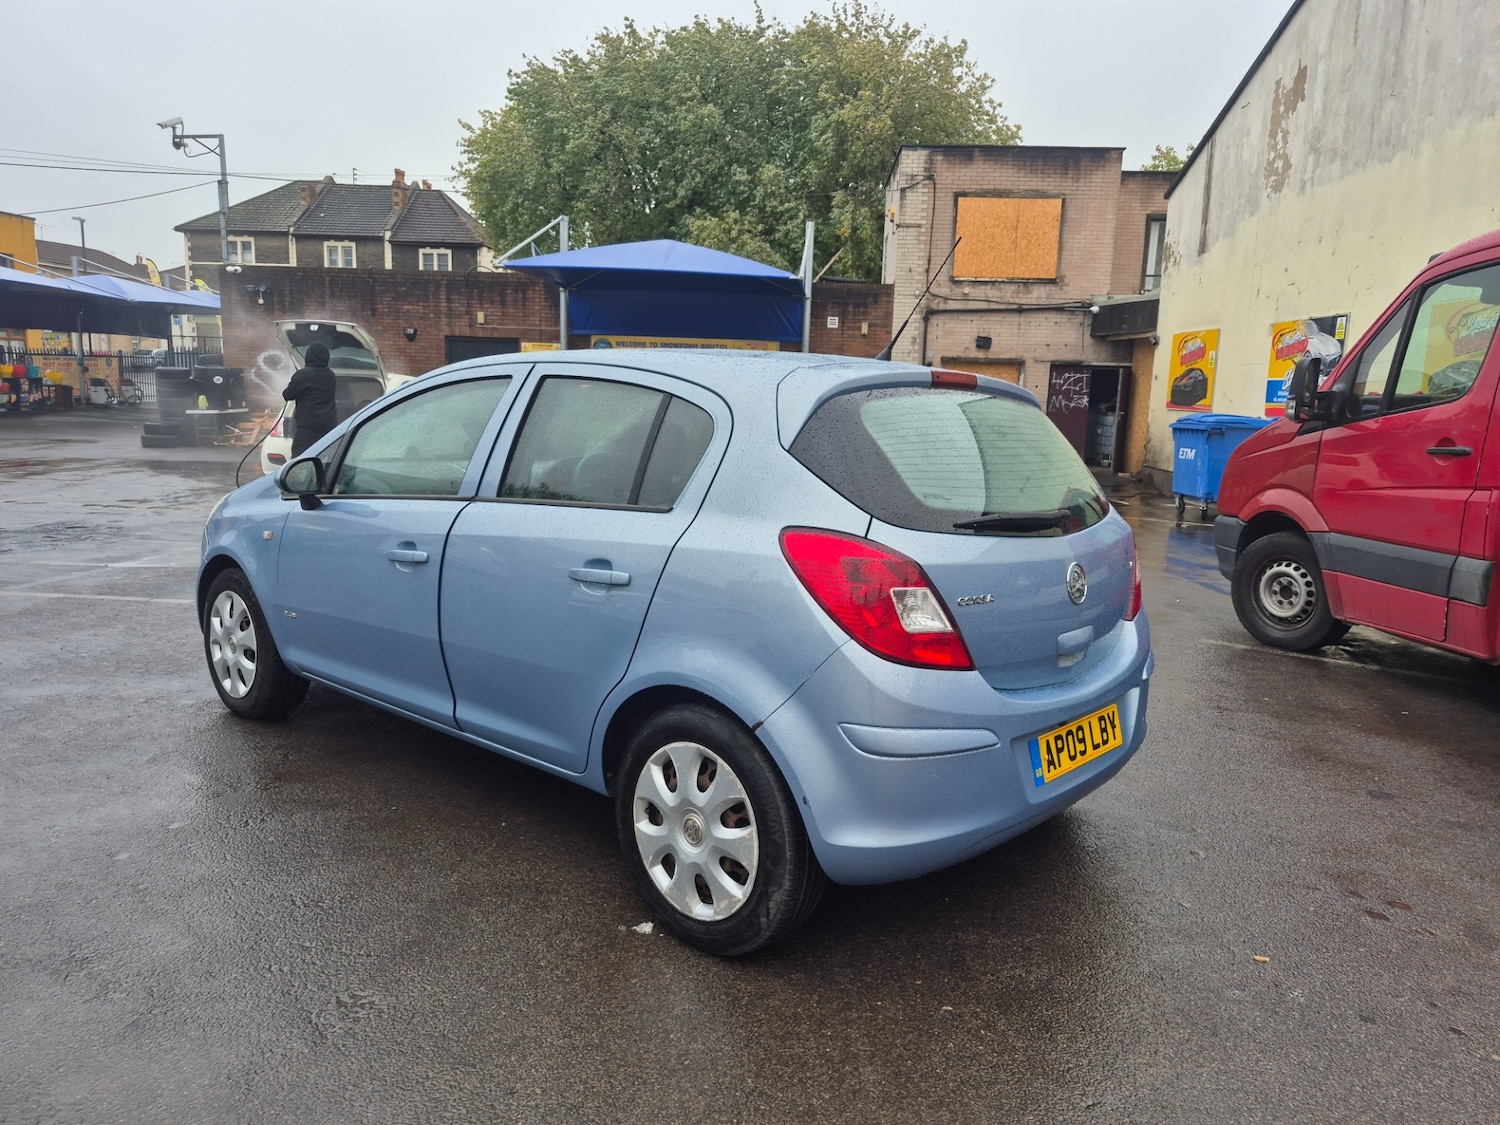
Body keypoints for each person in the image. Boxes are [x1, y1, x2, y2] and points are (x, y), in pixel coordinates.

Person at [281, 342, 338, 456]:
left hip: (307, 430)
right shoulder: (330, 375)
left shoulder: (302, 375)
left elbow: (288, 395)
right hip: (328, 429)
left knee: (301, 462)